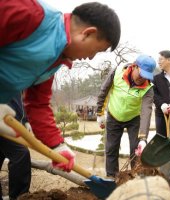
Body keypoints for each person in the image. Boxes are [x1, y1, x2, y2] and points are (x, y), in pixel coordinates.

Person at [0, 0, 121, 172]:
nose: (91, 57)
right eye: (96, 51)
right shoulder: (30, 13)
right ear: (87, 33)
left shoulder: (55, 60)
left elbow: (38, 105)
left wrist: (57, 146)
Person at [96, 54, 156, 178]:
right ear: (134, 66)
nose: (143, 78)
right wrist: (99, 113)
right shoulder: (117, 72)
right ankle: (111, 177)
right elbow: (104, 91)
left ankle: (136, 177)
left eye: (146, 76)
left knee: (136, 150)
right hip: (114, 115)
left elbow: (146, 111)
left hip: (134, 119)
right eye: (141, 73)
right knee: (111, 148)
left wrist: (143, 138)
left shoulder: (148, 88)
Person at [0, 93, 32, 200]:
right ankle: (19, 197)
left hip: (12, 124)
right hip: (4, 121)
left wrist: (26, 120)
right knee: (21, 155)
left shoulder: (21, 81)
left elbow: (20, 101)